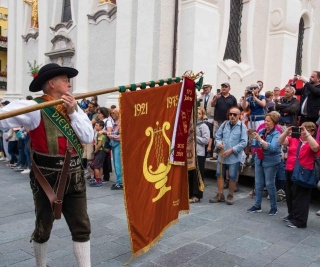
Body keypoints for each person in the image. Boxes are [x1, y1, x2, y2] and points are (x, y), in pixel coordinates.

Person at [0, 63, 94, 266]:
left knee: (82, 226)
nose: (69, 84)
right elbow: (3, 119)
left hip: (75, 175)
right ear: (52, 83)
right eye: (65, 79)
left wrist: (73, 113)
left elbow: (88, 136)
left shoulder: (74, 107)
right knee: (43, 227)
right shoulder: (34, 107)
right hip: (46, 178)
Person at [278, 122, 318, 228]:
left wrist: (308, 136)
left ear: (313, 132)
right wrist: (286, 132)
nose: (304, 132)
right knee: (290, 194)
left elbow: (315, 148)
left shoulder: (313, 141)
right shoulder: (294, 139)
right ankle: (292, 215)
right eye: (303, 129)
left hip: (304, 172)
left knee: (301, 197)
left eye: (309, 130)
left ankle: (300, 220)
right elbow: (280, 141)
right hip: (290, 169)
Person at [209, 106, 247, 205]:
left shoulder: (242, 126)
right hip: (222, 156)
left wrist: (232, 150)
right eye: (230, 114)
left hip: (234, 157)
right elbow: (217, 136)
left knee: (232, 176)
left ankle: (230, 195)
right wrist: (218, 144)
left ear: (239, 116)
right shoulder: (224, 124)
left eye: (235, 115)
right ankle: (220, 194)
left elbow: (244, 142)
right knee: (219, 175)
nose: (232, 116)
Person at [247, 111, 282, 215]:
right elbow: (254, 145)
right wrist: (252, 138)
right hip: (259, 159)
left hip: (271, 161)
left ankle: (274, 207)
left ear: (274, 122)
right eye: (265, 120)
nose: (265, 122)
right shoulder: (262, 131)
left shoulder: (277, 134)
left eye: (268, 121)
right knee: (258, 183)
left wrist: (260, 140)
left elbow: (273, 147)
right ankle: (257, 205)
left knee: (270, 184)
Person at [189, 107, 210, 203]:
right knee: (190, 174)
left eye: (199, 113)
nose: (197, 115)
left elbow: (206, 140)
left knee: (198, 175)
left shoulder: (204, 126)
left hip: (199, 154)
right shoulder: (190, 125)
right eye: (196, 113)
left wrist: (194, 136)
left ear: (202, 115)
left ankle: (197, 195)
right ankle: (189, 193)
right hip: (190, 153)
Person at [109, 108, 123, 190]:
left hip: (118, 144)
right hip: (114, 144)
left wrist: (112, 136)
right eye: (112, 113)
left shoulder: (121, 122)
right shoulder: (116, 122)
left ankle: (120, 181)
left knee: (118, 164)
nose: (112, 115)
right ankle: (119, 180)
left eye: (114, 113)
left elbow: (122, 136)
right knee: (115, 163)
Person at [89, 120, 107, 187]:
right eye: (95, 125)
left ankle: (98, 181)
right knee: (100, 166)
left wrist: (95, 151)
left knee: (96, 166)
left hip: (100, 151)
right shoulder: (101, 133)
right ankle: (100, 179)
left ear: (101, 127)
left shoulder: (100, 134)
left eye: (97, 125)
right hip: (102, 152)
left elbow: (99, 145)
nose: (95, 126)